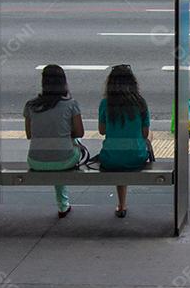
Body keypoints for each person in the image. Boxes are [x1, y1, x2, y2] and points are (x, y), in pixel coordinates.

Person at [24, 65, 84, 219]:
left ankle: (63, 205)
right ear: (63, 82)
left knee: (55, 146)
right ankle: (63, 205)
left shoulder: (31, 105)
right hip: (65, 161)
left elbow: (29, 135)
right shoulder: (71, 104)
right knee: (70, 143)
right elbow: (80, 132)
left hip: (36, 161)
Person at [98, 65, 152, 218]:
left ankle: (121, 205)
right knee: (143, 140)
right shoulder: (140, 102)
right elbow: (145, 133)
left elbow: (102, 131)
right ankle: (122, 204)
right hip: (136, 157)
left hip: (110, 159)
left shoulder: (105, 103)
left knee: (118, 150)